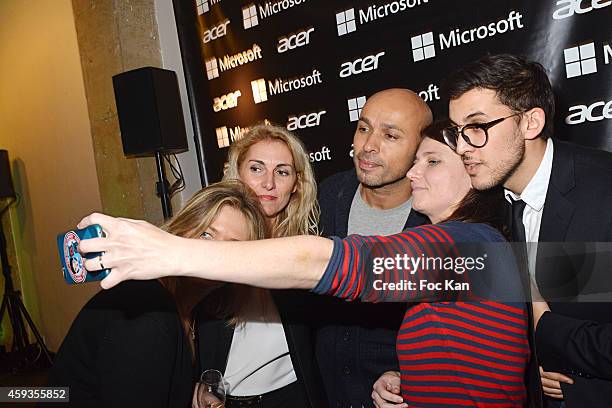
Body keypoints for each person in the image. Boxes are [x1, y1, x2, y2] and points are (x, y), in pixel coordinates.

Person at [77, 126, 531, 407]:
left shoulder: (471, 243)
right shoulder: (478, 248)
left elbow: (336, 262)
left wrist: (170, 251)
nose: (412, 174)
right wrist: (408, 381)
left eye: (431, 161)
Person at [441, 53, 612, 407]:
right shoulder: (486, 208)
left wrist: (547, 332)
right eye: (456, 132)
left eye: (476, 128)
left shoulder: (603, 190)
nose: (461, 148)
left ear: (530, 122)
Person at [47, 180, 267, 407]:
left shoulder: (196, 310)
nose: (214, 253)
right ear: (180, 231)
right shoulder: (147, 314)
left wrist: (191, 393)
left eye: (232, 247)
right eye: (206, 235)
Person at [193, 124, 326, 407]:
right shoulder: (212, 240)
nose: (268, 183)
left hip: (293, 397)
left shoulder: (305, 252)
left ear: (296, 185)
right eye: (256, 168)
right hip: (225, 401)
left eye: (282, 171)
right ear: (237, 174)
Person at [316, 88, 430, 407]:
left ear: (422, 149)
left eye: (390, 136)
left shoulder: (437, 221)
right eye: (363, 128)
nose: (368, 146)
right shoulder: (328, 195)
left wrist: (409, 375)